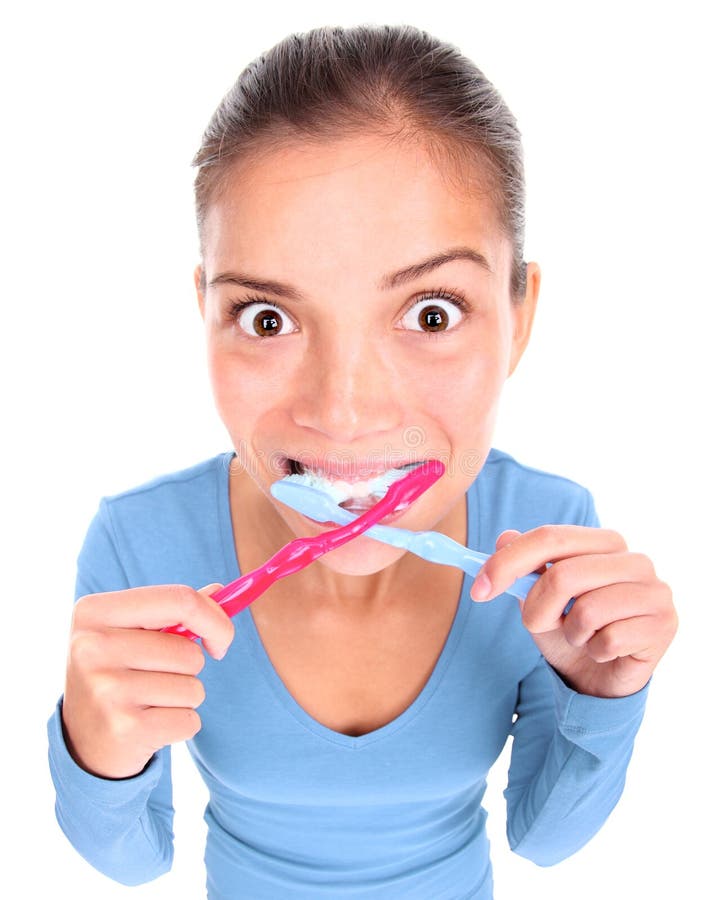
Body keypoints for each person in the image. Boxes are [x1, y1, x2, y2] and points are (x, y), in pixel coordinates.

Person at [47, 23, 677, 899]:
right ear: (206, 313)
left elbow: (545, 840)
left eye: (430, 313)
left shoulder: (550, 537)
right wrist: (94, 748)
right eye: (267, 318)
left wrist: (606, 697)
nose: (342, 413)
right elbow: (135, 859)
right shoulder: (139, 543)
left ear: (519, 316)